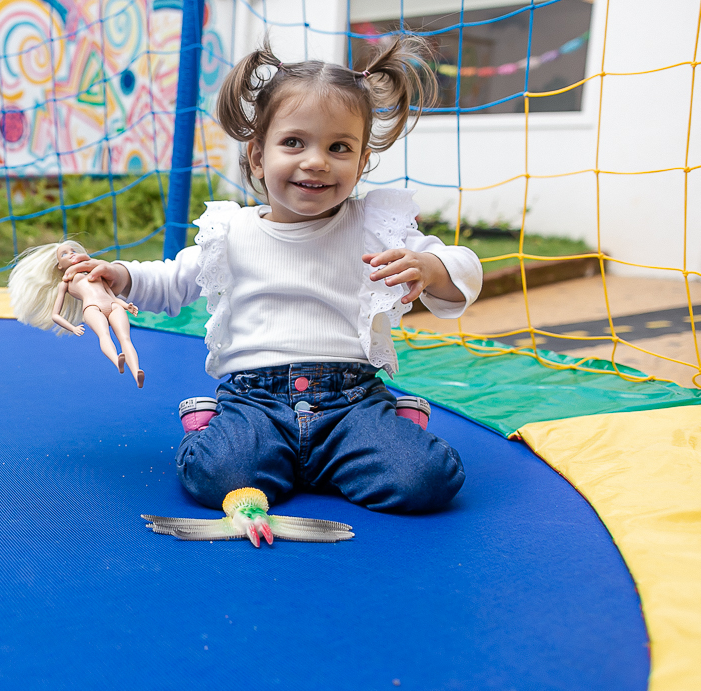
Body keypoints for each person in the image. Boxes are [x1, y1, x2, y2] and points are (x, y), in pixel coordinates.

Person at [63, 36, 483, 512]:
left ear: (362, 162)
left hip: (353, 402)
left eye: (339, 147)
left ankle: (370, 434)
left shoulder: (376, 227)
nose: (316, 160)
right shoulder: (232, 231)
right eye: (293, 142)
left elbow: (466, 270)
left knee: (426, 481)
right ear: (258, 156)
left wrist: (430, 267)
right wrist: (117, 274)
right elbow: (171, 280)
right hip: (255, 402)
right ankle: (217, 426)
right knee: (216, 477)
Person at [8, 240, 145, 388]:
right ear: (59, 265)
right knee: (104, 334)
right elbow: (55, 315)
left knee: (125, 338)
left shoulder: (95, 273)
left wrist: (126, 306)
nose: (71, 253)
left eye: (72, 250)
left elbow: (111, 295)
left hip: (112, 305)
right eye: (64, 254)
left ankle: (136, 372)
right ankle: (117, 360)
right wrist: (72, 327)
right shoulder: (65, 283)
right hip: (92, 308)